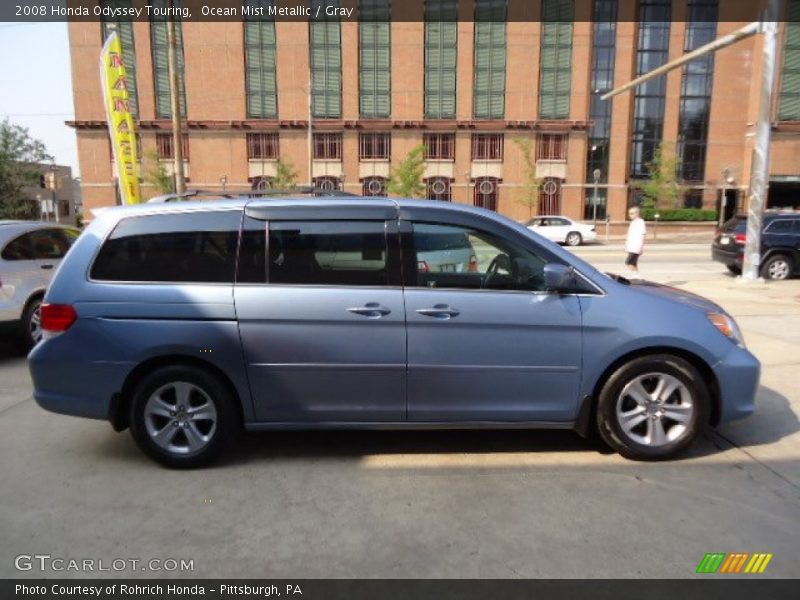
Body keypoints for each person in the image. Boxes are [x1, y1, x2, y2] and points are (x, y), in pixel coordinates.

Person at [625, 206, 647, 275]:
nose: (630, 215)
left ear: (637, 213)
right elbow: (630, 234)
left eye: (631, 213)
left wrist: (641, 247)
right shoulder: (632, 222)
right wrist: (626, 245)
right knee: (634, 263)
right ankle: (637, 276)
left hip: (636, 247)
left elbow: (643, 235)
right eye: (629, 213)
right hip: (631, 246)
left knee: (628, 262)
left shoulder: (641, 222)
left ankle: (635, 276)